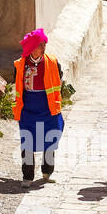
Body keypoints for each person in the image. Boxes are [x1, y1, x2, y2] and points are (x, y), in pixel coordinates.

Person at [13, 28, 65, 182]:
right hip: (28, 108)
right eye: (40, 45)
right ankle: (27, 177)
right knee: (27, 140)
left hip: (48, 107)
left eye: (44, 44)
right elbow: (18, 83)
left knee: (51, 138)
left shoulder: (52, 62)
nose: (43, 48)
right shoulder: (20, 64)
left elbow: (59, 79)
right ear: (31, 48)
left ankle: (47, 173)